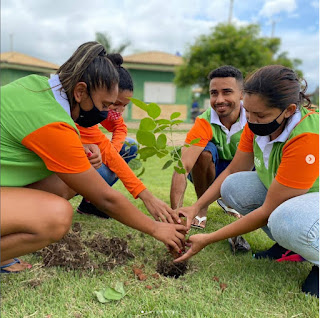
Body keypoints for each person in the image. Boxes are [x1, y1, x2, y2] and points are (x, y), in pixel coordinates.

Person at [0, 41, 186, 273]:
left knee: (71, 178)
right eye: (105, 105)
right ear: (80, 92)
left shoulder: (37, 85)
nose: (107, 113)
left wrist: (81, 144)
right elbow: (105, 198)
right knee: (57, 216)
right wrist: (155, 228)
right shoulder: (53, 123)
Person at [175, 65, 319, 297]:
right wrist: (197, 206)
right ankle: (287, 247)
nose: (251, 120)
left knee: (285, 219)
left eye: (260, 115)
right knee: (235, 186)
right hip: (298, 196)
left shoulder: (306, 135)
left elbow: (267, 211)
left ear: (289, 110)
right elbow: (233, 170)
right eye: (248, 112)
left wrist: (209, 238)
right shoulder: (258, 123)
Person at [75, 53, 176, 222]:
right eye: (113, 104)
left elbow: (120, 128)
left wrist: (112, 150)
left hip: (89, 157)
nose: (119, 110)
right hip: (65, 170)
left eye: (125, 106)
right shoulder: (85, 116)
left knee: (129, 146)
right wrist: (147, 198)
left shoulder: (100, 112)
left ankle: (91, 204)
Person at [170, 65, 246, 229]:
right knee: (203, 153)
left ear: (241, 94)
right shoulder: (204, 121)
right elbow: (183, 166)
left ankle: (230, 203)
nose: (219, 100)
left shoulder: (255, 119)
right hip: (211, 171)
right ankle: (201, 209)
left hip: (242, 171)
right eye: (214, 93)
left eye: (227, 92)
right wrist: (175, 214)